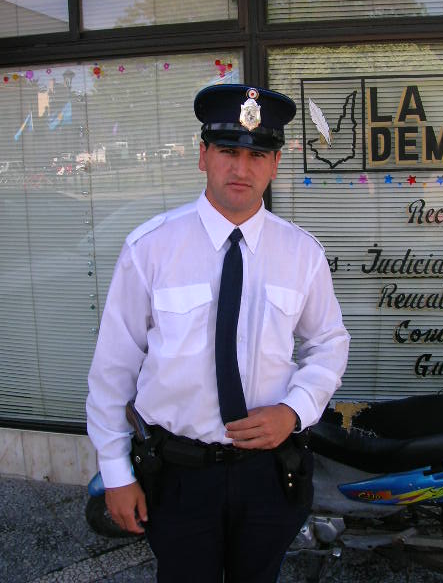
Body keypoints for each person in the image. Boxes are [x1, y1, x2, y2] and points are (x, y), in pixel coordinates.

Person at [86, 84, 350, 583]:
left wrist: (294, 410)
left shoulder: (302, 254)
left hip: (270, 473)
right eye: (228, 151)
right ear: (202, 154)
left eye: (258, 155)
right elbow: (112, 372)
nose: (241, 169)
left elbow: (329, 344)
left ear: (275, 165)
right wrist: (117, 473)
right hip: (179, 476)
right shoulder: (151, 248)